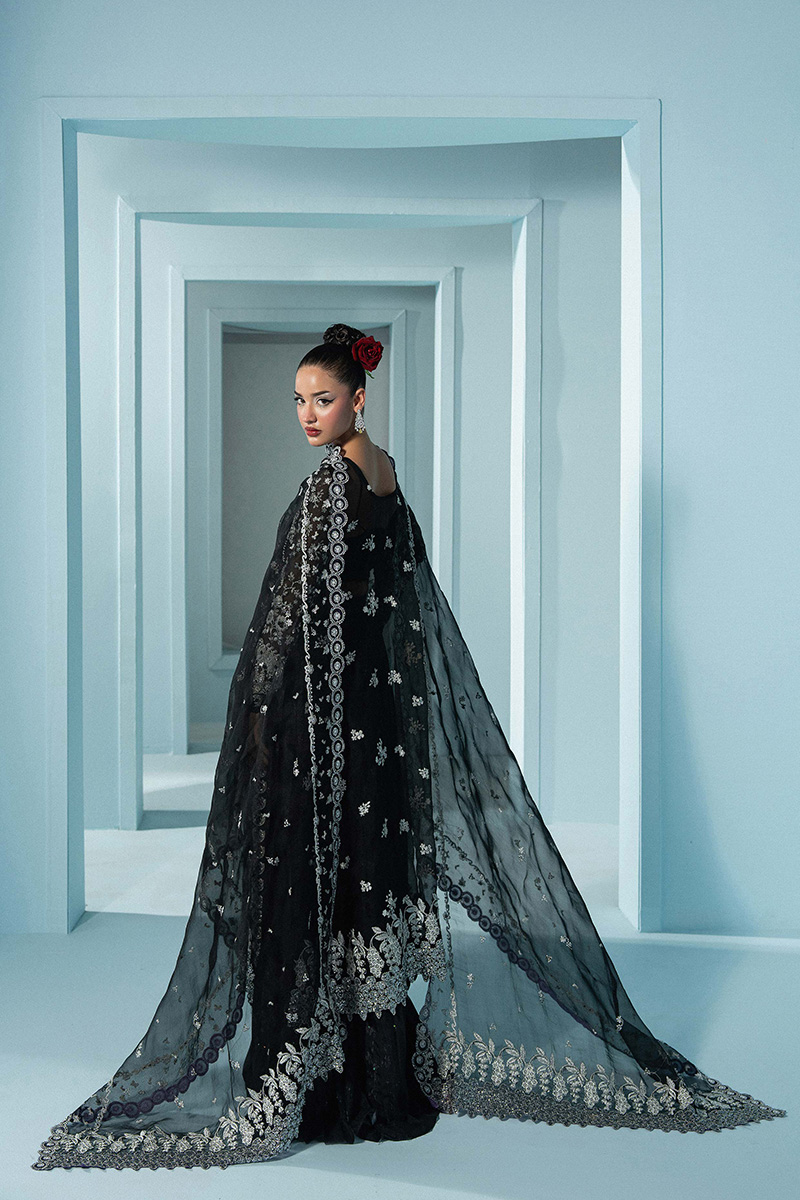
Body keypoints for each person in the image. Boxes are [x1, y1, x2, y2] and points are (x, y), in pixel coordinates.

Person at [34, 323, 786, 1172]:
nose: (307, 414)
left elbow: (290, 623)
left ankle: (316, 1081)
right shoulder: (383, 475)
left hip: (321, 729)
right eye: (298, 401)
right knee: (364, 883)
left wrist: (258, 722)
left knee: (316, 883)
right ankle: (376, 1075)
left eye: (323, 399)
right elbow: (391, 613)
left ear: (358, 398)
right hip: (377, 727)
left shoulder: (331, 485)